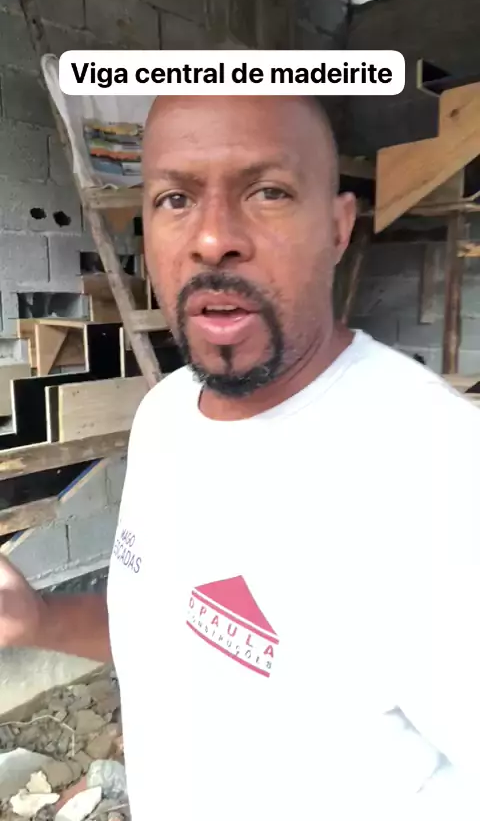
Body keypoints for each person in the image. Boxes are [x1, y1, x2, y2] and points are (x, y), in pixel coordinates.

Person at [1, 95, 480, 821]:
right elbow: (169, 630)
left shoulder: (439, 469)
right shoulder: (167, 413)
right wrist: (34, 618)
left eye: (268, 192)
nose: (213, 238)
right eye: (175, 198)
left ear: (338, 227)